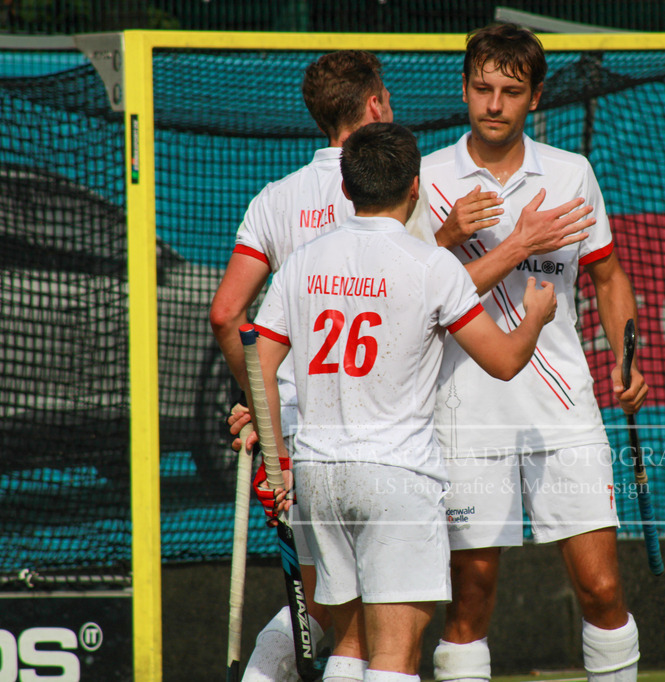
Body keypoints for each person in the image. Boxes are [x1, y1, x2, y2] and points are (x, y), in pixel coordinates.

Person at [252, 121, 557, 682]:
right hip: (397, 474)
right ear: (415, 187)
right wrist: (535, 317)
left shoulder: (303, 259)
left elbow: (260, 362)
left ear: (346, 189)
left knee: (349, 643)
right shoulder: (430, 264)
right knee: (393, 654)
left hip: (319, 470)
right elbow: (505, 361)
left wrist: (276, 460)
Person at [409, 22, 649, 682]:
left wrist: (627, 355)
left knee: (602, 592)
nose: (493, 104)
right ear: (463, 89)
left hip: (563, 409)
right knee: (470, 605)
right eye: (482, 88)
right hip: (463, 414)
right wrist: (447, 236)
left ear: (535, 98)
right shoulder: (425, 182)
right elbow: (407, 298)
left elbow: (608, 276)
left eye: (510, 91)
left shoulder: (573, 174)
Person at [209, 50, 411, 682]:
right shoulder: (403, 183)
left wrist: (261, 404)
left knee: (331, 600)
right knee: (379, 611)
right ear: (375, 104)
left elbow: (225, 314)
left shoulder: (277, 198)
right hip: (381, 424)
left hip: (297, 430)